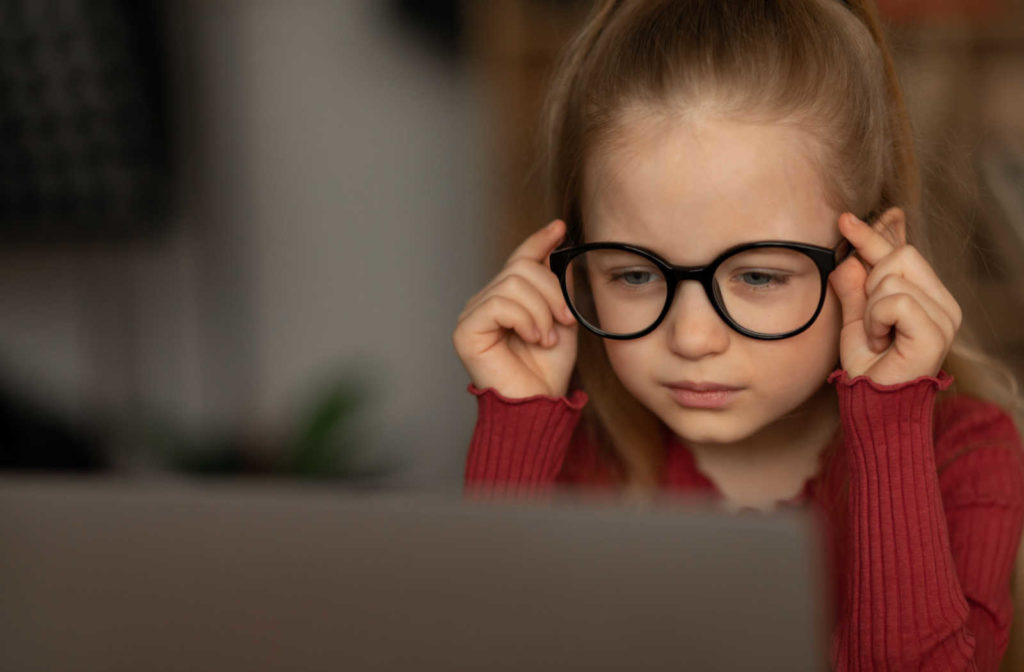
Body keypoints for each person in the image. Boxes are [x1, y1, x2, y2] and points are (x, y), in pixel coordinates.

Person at [451, 0, 1024, 668]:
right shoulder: (579, 462)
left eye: (757, 277)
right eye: (635, 275)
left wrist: (891, 423)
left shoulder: (964, 455)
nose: (692, 338)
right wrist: (516, 428)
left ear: (874, 261)